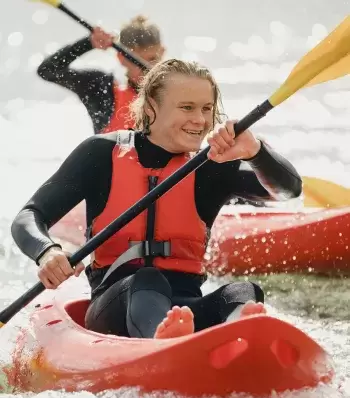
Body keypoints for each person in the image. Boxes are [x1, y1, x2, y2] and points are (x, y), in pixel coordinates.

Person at [12, 59, 302, 340]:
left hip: (185, 309)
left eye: (206, 109)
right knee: (147, 279)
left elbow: (289, 190)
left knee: (243, 292)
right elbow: (30, 215)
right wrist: (47, 252)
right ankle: (163, 342)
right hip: (115, 306)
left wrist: (256, 151)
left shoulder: (213, 167)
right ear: (151, 106)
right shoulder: (101, 154)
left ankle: (242, 337)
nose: (200, 120)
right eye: (187, 108)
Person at [37, 15, 165, 133]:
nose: (149, 68)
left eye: (153, 59)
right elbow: (47, 70)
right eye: (138, 61)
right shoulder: (101, 89)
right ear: (121, 58)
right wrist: (88, 43)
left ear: (163, 52)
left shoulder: (177, 89)